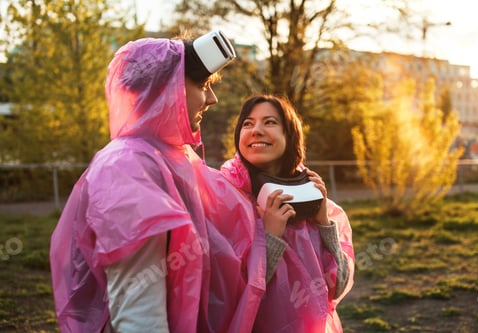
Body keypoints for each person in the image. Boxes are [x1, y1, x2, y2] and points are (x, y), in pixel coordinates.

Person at [49, 31, 267, 332]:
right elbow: (139, 314)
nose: (212, 99)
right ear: (166, 87)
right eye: (202, 85)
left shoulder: (170, 159)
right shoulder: (127, 169)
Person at [220, 94, 355, 332]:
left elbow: (338, 287)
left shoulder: (312, 198)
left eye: (269, 122)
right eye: (247, 124)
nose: (256, 130)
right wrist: (270, 237)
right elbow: (227, 297)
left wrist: (323, 222)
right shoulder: (223, 199)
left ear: (290, 135)